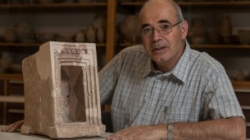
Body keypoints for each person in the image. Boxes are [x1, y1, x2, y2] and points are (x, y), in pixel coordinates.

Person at [2, 0, 246, 139]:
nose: (156, 37)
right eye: (147, 29)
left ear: (183, 30)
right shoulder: (127, 58)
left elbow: (236, 129)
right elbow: (83, 100)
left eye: (164, 26)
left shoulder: (208, 70)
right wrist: (45, 118)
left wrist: (163, 131)